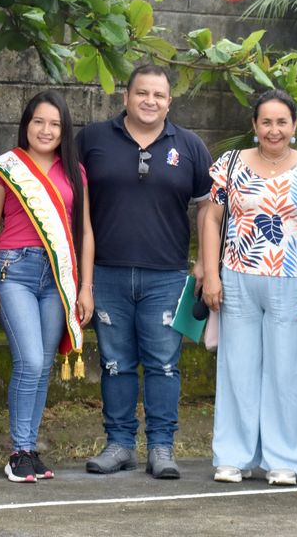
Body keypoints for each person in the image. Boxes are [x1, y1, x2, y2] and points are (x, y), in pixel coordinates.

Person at [77, 64, 213, 479]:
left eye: (158, 95)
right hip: (106, 273)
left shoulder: (189, 146)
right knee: (115, 363)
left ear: (169, 102)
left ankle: (161, 447)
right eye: (141, 93)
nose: (149, 101)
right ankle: (119, 444)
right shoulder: (93, 140)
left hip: (167, 276)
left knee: (164, 365)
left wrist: (204, 261)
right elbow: (70, 199)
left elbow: (209, 207)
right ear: (125, 97)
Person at [201, 89, 297, 485]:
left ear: (294, 125)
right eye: (266, 122)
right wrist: (211, 275)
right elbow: (211, 220)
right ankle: (233, 457)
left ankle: (284, 459)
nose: (274, 130)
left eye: (282, 122)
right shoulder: (230, 163)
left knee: (288, 372)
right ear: (254, 126)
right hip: (237, 277)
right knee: (237, 368)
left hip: (294, 279)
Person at [0, 91, 95, 483]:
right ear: (26, 124)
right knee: (28, 360)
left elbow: (85, 231)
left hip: (57, 277)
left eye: (55, 124)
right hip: (14, 271)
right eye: (39, 122)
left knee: (43, 365)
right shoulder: (5, 168)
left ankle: (29, 449)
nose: (46, 130)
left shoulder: (75, 171)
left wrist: (86, 287)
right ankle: (18, 450)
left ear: (65, 130)